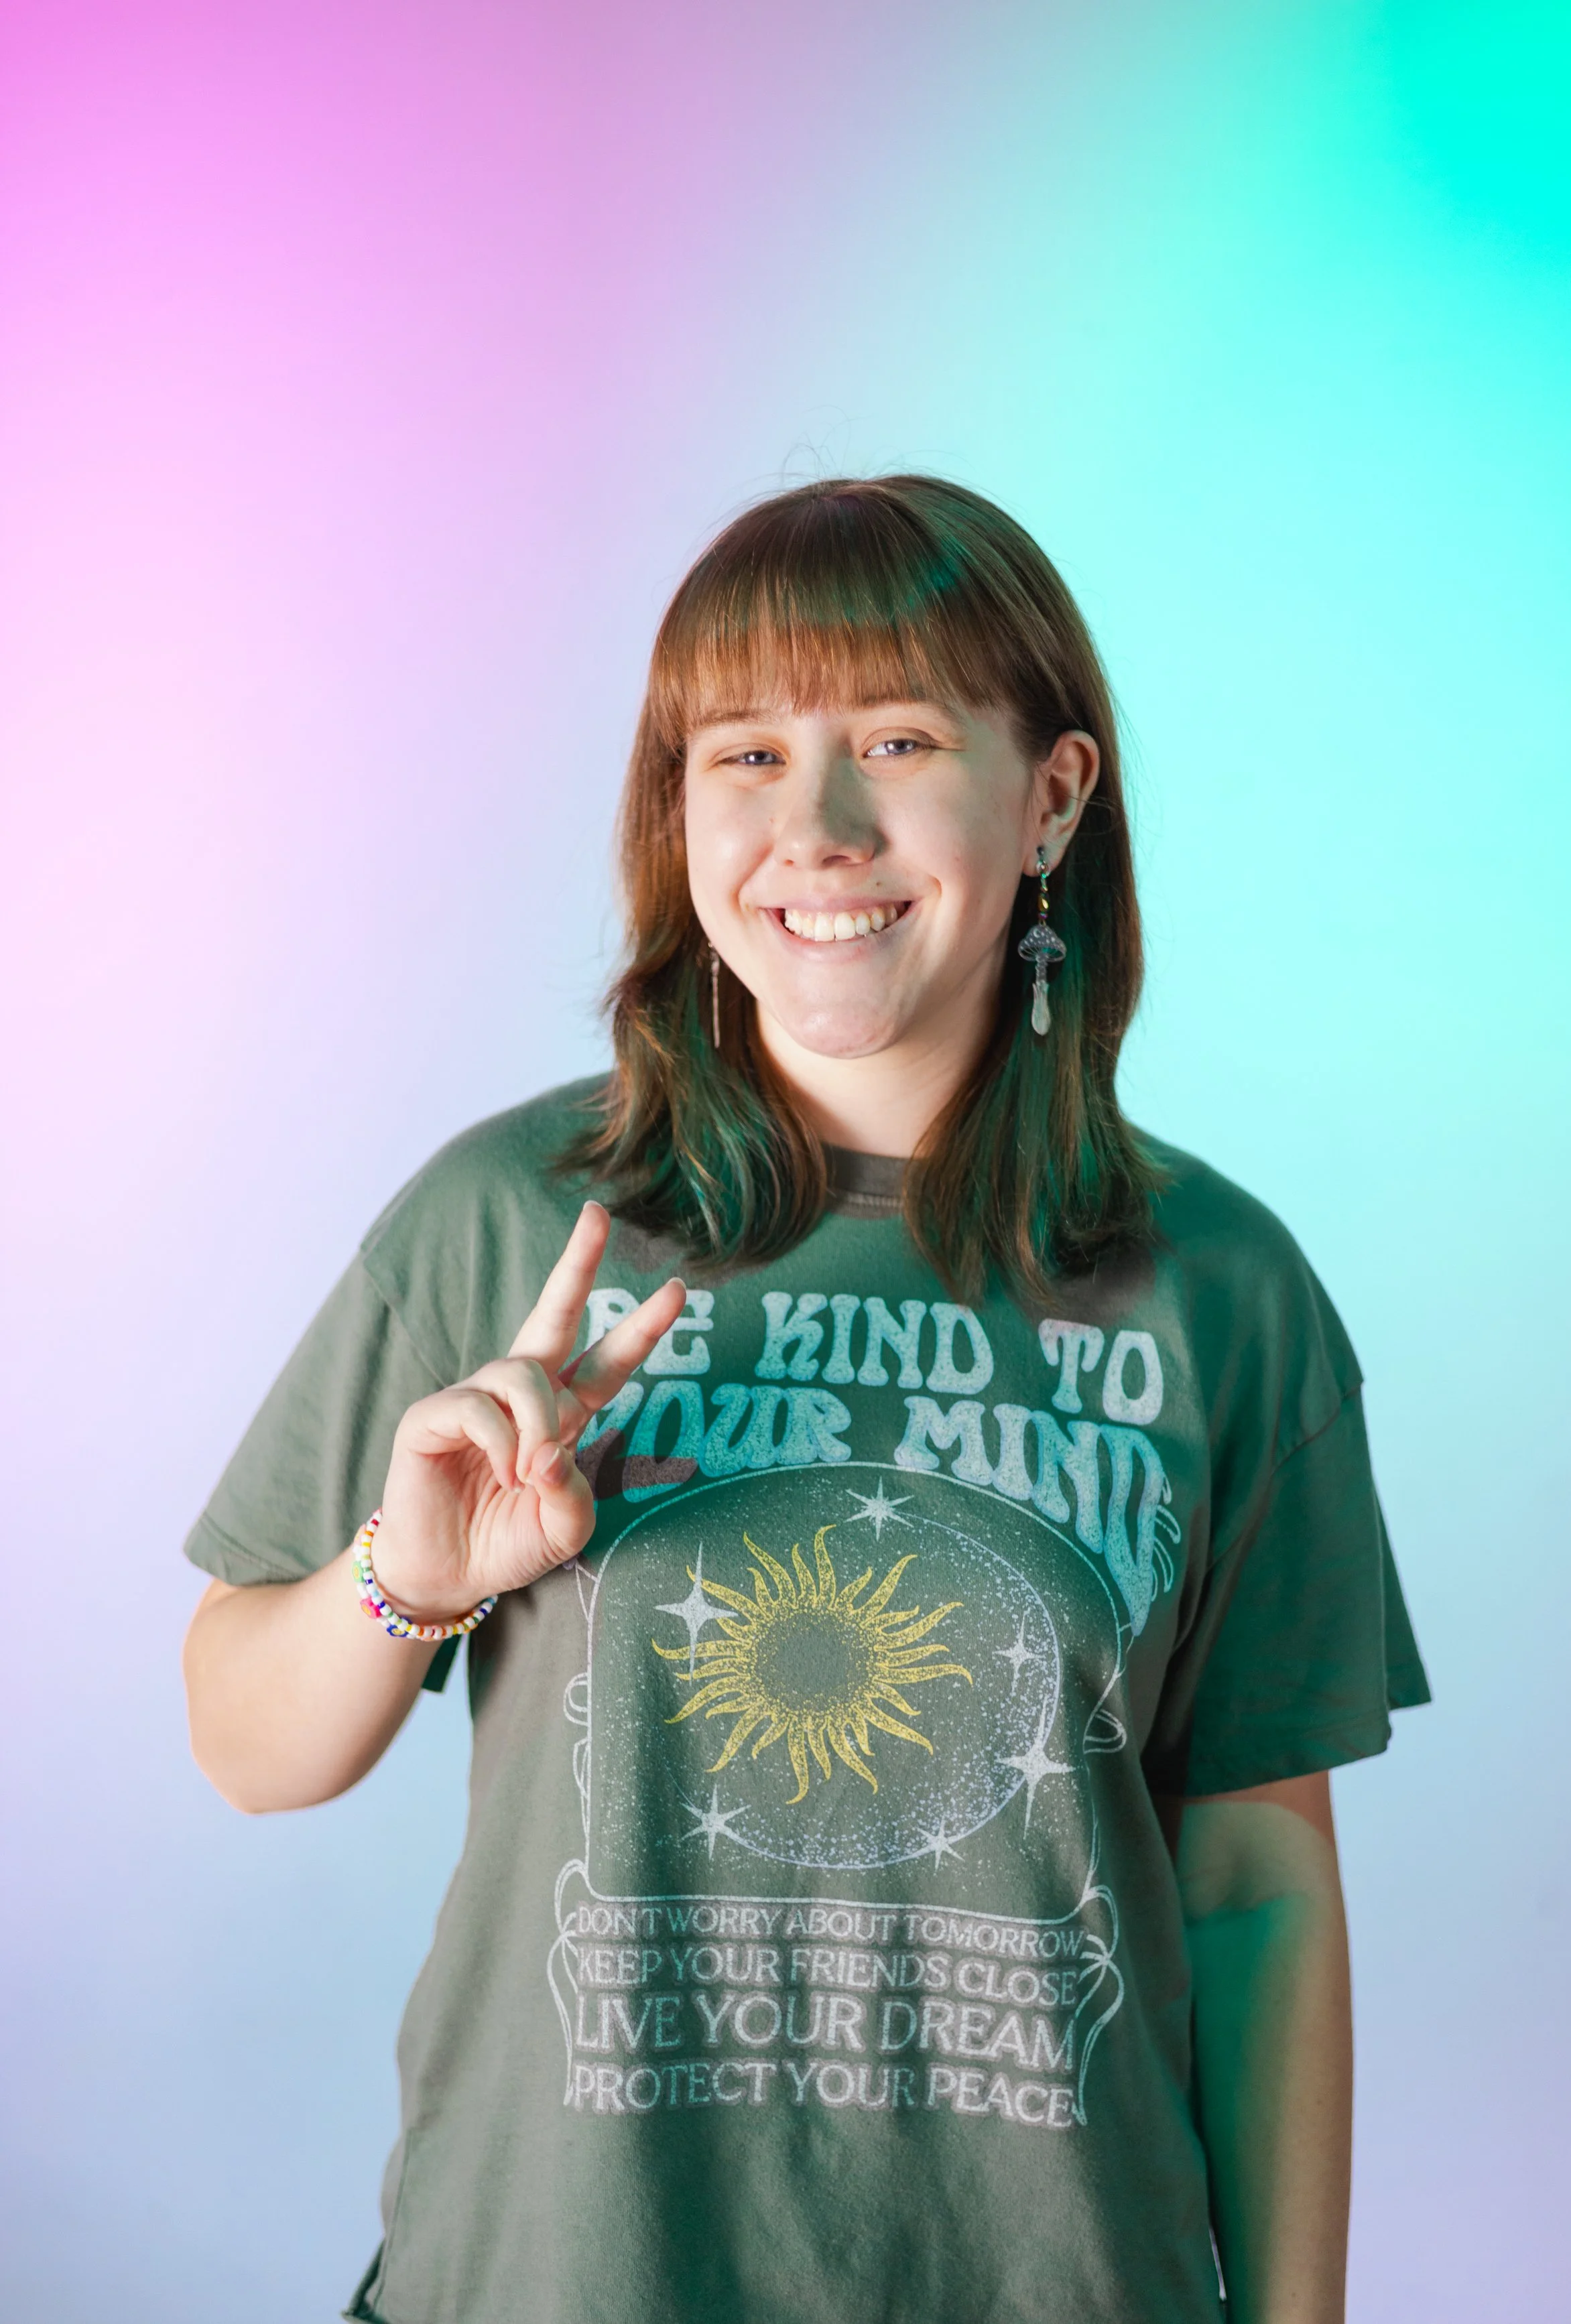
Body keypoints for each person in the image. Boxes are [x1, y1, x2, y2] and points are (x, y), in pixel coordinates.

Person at [183, 475, 1428, 2324]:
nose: (815, 826)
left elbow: (1254, 1883)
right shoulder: (520, 1223)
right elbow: (246, 1742)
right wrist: (404, 1573)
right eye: (745, 753)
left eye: (900, 738)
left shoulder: (1219, 1290)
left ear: (1054, 797)